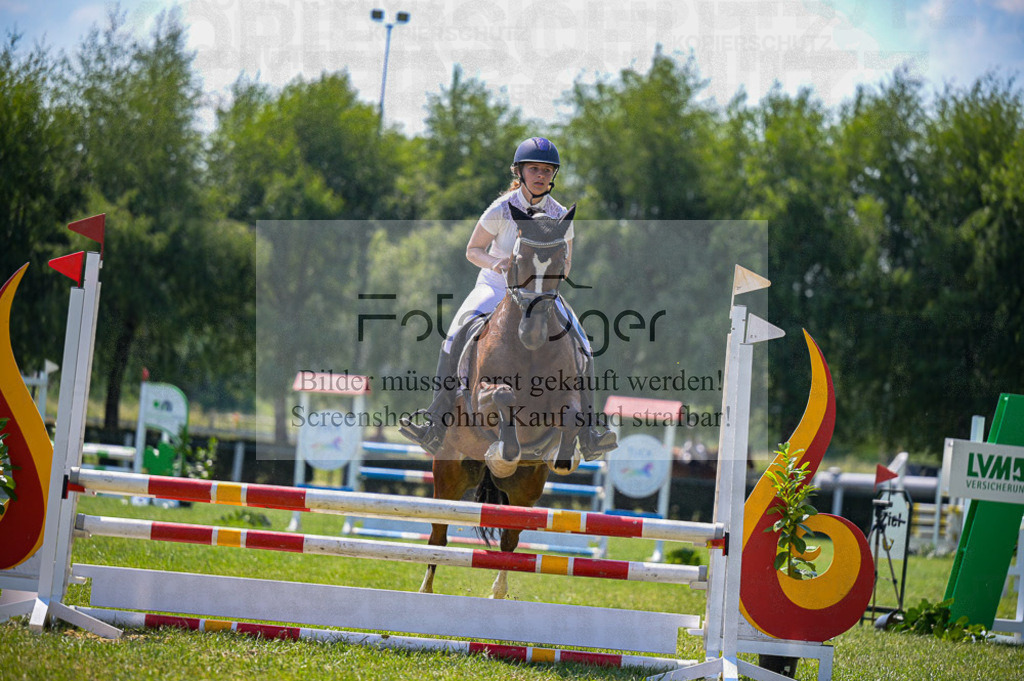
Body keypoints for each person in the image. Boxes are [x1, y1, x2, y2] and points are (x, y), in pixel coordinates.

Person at [399, 137, 616, 459]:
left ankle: (589, 431)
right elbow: (472, 250)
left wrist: (550, 280)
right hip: (496, 285)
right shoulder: (501, 209)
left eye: (547, 170)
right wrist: (497, 263)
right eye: (534, 169)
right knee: (454, 334)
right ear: (520, 171)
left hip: (541, 290)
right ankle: (435, 421)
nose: (541, 175)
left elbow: (566, 259)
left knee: (583, 342)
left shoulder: (559, 215)